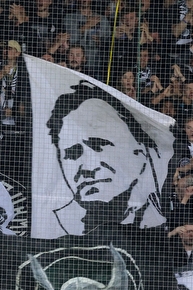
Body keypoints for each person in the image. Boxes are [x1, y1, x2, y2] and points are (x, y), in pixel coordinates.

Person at [46, 82, 166, 235]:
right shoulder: (51, 223)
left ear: (140, 152)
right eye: (72, 153)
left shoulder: (156, 222)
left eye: (99, 146)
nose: (88, 169)